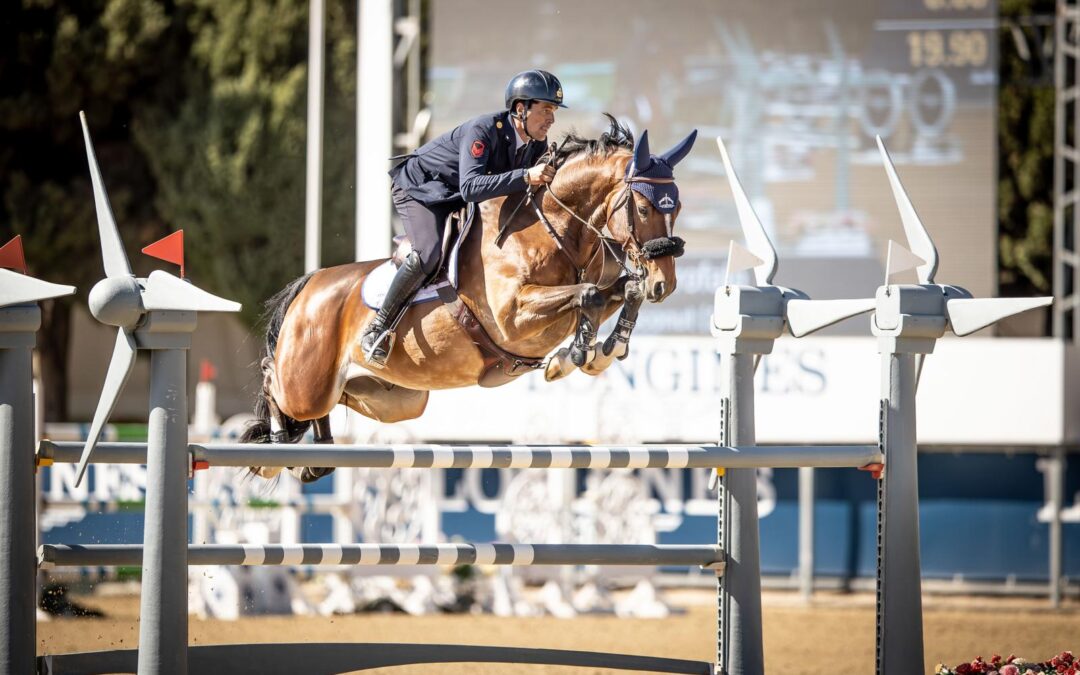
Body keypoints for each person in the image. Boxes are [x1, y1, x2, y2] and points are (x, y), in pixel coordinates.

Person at [361, 69, 567, 365]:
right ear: (521, 109)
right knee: (428, 254)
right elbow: (471, 187)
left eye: (555, 110)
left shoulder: (537, 145)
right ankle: (378, 328)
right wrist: (525, 175)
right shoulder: (484, 130)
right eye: (546, 109)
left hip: (455, 193)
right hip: (421, 188)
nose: (552, 119)